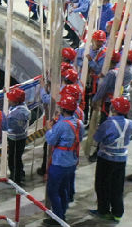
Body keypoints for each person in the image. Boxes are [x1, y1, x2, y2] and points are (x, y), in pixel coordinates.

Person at [89, 97, 132, 223]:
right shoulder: (130, 123)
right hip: (121, 160)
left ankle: (103, 211)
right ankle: (118, 213)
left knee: (102, 185)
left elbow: (97, 138)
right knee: (117, 187)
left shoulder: (108, 124)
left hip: (106, 159)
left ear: (113, 109)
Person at [44, 95, 84, 226]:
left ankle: (58, 218)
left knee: (53, 191)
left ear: (63, 109)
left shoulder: (61, 125)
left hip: (59, 162)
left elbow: (51, 141)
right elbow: (79, 138)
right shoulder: (79, 123)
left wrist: (49, 129)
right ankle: (62, 212)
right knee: (64, 189)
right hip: (71, 162)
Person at [3, 87, 29, 185]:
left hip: (15, 138)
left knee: (13, 159)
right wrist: (6, 92)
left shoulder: (15, 114)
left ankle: (16, 179)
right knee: (18, 157)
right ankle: (20, 174)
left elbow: (7, 126)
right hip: (22, 137)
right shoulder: (22, 107)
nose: (8, 100)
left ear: (16, 102)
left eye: (10, 99)